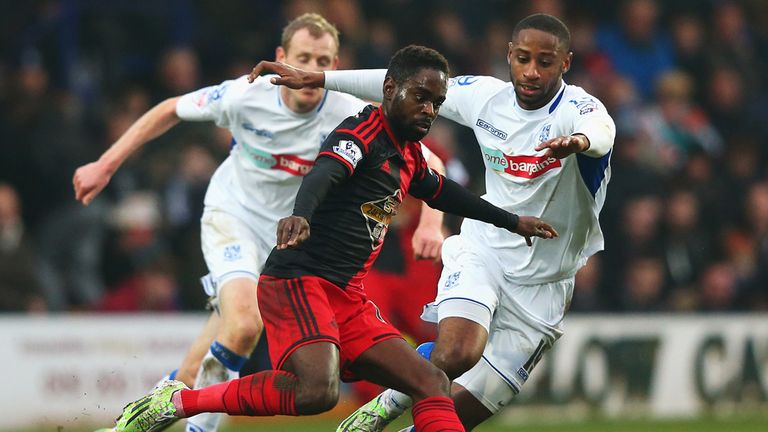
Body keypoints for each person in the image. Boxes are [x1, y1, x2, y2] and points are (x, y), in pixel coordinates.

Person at [105, 44, 557, 432]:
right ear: (389, 89)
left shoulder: (411, 156)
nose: (428, 109)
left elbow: (447, 194)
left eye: (436, 102)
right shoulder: (362, 131)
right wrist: (301, 215)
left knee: (432, 383)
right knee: (317, 391)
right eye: (420, 96)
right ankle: (174, 403)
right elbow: (326, 171)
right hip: (298, 281)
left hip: (345, 295)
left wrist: (512, 221)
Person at [74, 13, 447, 432]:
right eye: (303, 57)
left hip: (290, 236)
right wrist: (105, 165)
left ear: (336, 66)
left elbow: (428, 162)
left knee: (223, 340)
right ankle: (194, 421)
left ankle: (152, 410)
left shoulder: (352, 111)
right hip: (233, 216)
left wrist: (430, 225)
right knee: (245, 321)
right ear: (281, 57)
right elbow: (169, 109)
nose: (311, 69)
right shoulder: (244, 95)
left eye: (322, 60)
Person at [249, 13, 616, 431]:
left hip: (547, 282)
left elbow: (602, 130)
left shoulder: (578, 110)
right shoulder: (485, 96)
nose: (532, 72)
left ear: (565, 63)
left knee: (475, 409)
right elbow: (391, 80)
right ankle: (384, 407)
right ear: (509, 55)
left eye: (545, 62)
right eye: (524, 59)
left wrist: (579, 142)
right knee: (457, 353)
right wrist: (314, 77)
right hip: (485, 250)